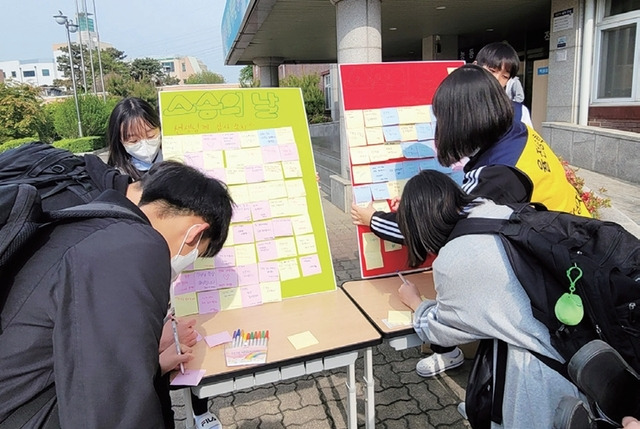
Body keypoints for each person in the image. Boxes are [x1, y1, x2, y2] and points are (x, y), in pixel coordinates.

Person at [351, 64, 590, 378]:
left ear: (462, 120)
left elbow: (440, 225)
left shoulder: (501, 175)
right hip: (575, 243)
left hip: (559, 275)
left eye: (443, 119)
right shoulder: (517, 129)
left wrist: (374, 219)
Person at [0, 161, 233, 428]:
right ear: (195, 233)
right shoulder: (135, 247)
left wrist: (149, 359)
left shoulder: (91, 224)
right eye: (197, 254)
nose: (184, 265)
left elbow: (87, 362)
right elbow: (114, 410)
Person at [395, 169, 588, 428]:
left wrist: (415, 303)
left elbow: (442, 331)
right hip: (578, 349)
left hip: (540, 377)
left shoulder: (455, 259)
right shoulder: (494, 210)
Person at [107, 98, 220, 427]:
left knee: (191, 339)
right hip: (148, 279)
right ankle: (167, 404)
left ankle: (201, 409)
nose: (144, 144)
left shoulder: (180, 165)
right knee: (159, 347)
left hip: (186, 274)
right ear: (120, 142)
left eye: (150, 132)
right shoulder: (117, 182)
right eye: (132, 139)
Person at [107, 97, 163, 180]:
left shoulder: (177, 158)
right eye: (134, 141)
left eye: (150, 135)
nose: (145, 144)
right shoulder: (119, 177)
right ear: (120, 141)